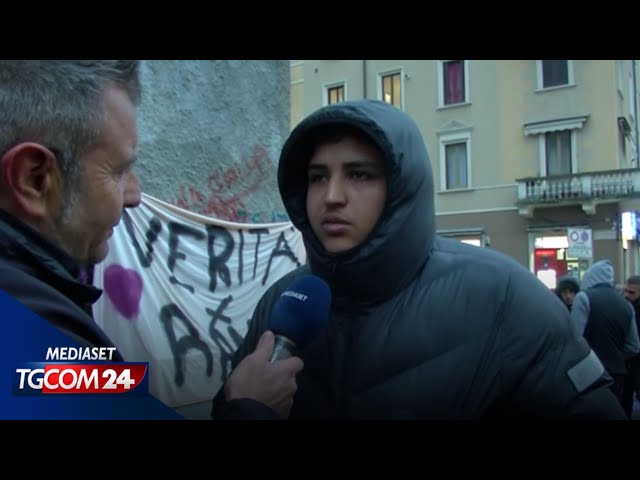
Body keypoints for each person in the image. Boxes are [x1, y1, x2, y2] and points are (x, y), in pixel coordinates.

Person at [212, 99, 628, 419]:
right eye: (318, 177)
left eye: (359, 175)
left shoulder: (506, 297)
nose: (332, 196)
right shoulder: (281, 302)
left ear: (401, 188)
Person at [0, 60, 301, 420]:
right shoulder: (41, 342)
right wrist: (250, 409)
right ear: (35, 179)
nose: (135, 195)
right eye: (119, 170)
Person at [570, 260, 640, 418]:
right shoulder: (626, 305)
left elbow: (575, 338)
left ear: (589, 277)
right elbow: (634, 346)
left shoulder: (584, 298)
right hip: (617, 372)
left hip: (588, 373)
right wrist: (617, 356)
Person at [622, 275, 640, 417]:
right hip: (630, 359)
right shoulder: (624, 306)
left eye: (631, 292)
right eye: (626, 291)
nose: (627, 295)